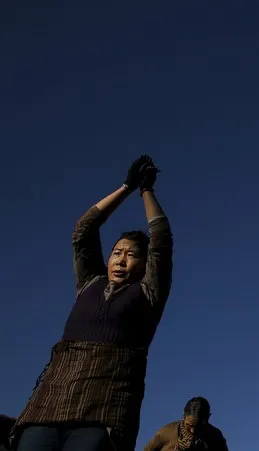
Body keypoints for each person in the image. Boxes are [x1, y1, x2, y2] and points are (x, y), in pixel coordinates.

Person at [10, 155, 173, 451]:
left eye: (131, 254)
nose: (121, 260)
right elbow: (83, 231)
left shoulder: (148, 293)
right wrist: (126, 187)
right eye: (116, 252)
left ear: (145, 263)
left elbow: (160, 239)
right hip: (49, 405)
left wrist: (146, 191)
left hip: (103, 412)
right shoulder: (89, 284)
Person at [142, 397, 228, 451]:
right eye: (189, 425)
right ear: (184, 416)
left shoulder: (216, 437)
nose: (193, 430)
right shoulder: (165, 433)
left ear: (208, 418)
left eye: (198, 426)